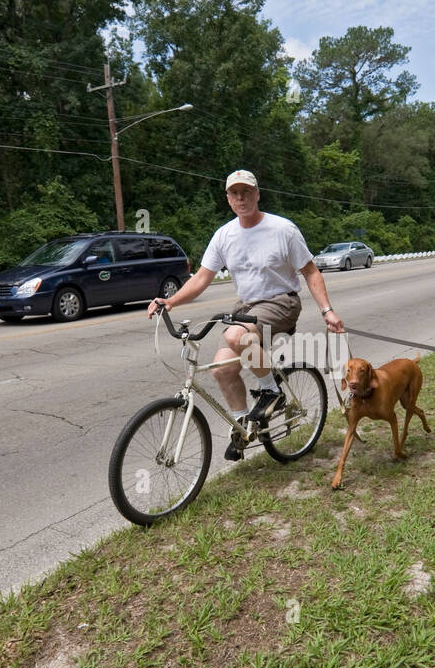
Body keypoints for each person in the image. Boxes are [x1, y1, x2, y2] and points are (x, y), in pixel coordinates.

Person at [147, 170, 343, 460]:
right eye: (234, 193)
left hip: (282, 302)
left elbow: (311, 272)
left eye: (246, 192)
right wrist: (171, 301)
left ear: (257, 194)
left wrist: (327, 311)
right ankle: (243, 426)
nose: (241, 198)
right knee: (221, 367)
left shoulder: (283, 229)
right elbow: (202, 278)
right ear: (228, 199)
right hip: (248, 307)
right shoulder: (224, 235)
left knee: (235, 335)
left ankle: (271, 390)